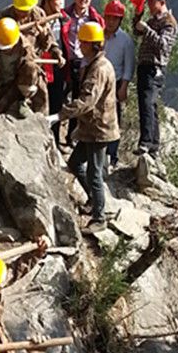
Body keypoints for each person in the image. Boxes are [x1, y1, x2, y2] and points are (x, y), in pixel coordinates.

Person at [61, 22, 119, 233]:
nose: (80, 45)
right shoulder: (93, 64)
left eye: (83, 42)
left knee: (95, 173)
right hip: (91, 128)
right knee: (75, 163)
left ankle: (99, 218)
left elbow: (87, 101)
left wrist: (62, 114)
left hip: (99, 130)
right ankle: (94, 200)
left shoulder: (99, 69)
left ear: (92, 44)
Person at [0, 18, 45, 136]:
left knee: (30, 67)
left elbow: (33, 71)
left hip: (18, 86)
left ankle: (22, 101)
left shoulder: (25, 49)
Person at [133, 0, 178, 156]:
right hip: (145, 66)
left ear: (162, 2)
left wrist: (147, 29)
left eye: (152, 2)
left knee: (147, 103)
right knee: (148, 105)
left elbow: (163, 45)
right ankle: (153, 144)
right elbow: (136, 31)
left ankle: (146, 142)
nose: (149, 5)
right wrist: (138, 15)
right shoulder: (153, 20)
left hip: (155, 68)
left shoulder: (169, 23)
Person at [60, 0, 104, 144]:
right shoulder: (65, 16)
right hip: (66, 61)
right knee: (59, 97)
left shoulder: (95, 20)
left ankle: (72, 137)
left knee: (79, 99)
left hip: (84, 63)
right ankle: (54, 134)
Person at [101, 0, 135, 167]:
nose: (111, 22)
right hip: (99, 80)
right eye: (108, 17)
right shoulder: (99, 35)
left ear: (120, 20)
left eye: (114, 18)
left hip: (115, 82)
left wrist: (124, 87)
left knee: (113, 119)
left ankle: (112, 154)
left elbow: (129, 65)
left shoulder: (125, 40)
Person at [37, 0, 69, 144]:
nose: (60, 2)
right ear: (47, 1)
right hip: (40, 67)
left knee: (56, 104)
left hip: (57, 68)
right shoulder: (35, 20)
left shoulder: (62, 19)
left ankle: (54, 140)